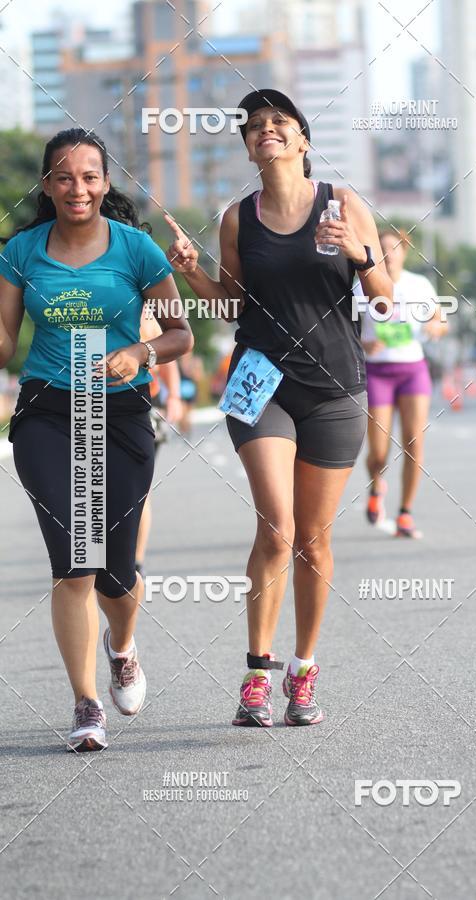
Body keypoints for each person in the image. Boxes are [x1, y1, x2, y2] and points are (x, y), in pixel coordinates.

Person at [166, 88, 392, 727]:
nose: (266, 130)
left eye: (280, 122)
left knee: (314, 543)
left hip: (334, 387)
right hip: (260, 381)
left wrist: (360, 253)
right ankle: (257, 672)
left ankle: (304, 669)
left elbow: (383, 301)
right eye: (255, 125)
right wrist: (191, 272)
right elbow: (232, 300)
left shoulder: (345, 204)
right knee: (277, 527)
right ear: (247, 146)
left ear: (302, 141)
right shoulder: (238, 218)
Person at [0, 128, 193, 751]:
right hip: (48, 412)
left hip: (120, 411)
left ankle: (123, 644)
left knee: (115, 571)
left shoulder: (136, 249)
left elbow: (180, 335)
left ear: (105, 183)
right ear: (47, 185)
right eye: (63, 176)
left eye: (89, 176)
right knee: (73, 561)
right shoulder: (21, 251)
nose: (76, 187)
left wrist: (140, 351)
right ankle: (86, 704)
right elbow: (5, 344)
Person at [362, 229, 447, 538]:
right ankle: (376, 485)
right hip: (377, 372)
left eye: (394, 249)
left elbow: (440, 320)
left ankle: (405, 512)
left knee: (414, 443)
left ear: (403, 253)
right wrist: (362, 343)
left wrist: (436, 327)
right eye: (382, 248)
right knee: (379, 452)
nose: (388, 254)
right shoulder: (363, 284)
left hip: (412, 369)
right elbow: (343, 328)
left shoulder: (418, 284)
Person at [135, 311, 184, 576]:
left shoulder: (146, 314)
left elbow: (167, 358)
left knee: (138, 490)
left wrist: (174, 396)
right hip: (93, 403)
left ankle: (135, 562)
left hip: (142, 406)